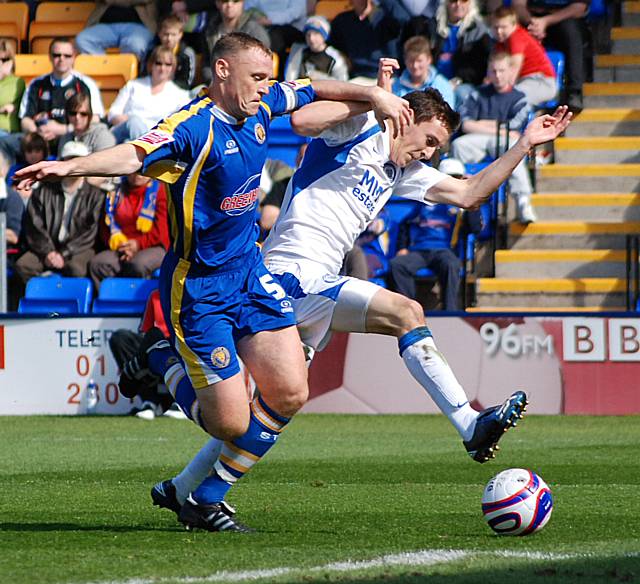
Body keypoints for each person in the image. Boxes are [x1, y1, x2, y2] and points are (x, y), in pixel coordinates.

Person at [143, 59, 572, 529]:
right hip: (287, 275)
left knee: (266, 409)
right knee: (406, 311)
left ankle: (186, 485)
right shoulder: (359, 126)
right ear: (404, 117)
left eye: (437, 148)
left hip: (313, 284)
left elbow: (470, 194)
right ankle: (469, 426)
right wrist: (373, 97)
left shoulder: (399, 171)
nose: (429, 153)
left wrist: (525, 144)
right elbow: (303, 120)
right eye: (428, 140)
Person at [15, 33, 412, 532]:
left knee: (290, 392)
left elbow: (310, 88)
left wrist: (373, 95)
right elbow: (134, 155)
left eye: (268, 77)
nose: (266, 87)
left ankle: (206, 499)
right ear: (222, 71)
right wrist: (66, 166)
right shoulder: (191, 126)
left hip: (249, 273)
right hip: (199, 287)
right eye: (257, 77)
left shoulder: (262, 103)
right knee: (231, 423)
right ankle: (157, 358)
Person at [451, 52, 537, 224]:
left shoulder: (520, 98)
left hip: (505, 142)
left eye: (501, 71)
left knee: (515, 146)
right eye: (493, 71)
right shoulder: (477, 94)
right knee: (458, 145)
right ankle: (456, 195)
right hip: (480, 140)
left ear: (510, 71)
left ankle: (523, 200)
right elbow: (466, 124)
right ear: (488, 72)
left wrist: (482, 123)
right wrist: (497, 128)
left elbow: (515, 127)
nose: (497, 75)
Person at [12, 141, 103, 296]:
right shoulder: (43, 191)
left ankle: (72, 308)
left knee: (76, 268)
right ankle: (40, 304)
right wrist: (48, 252)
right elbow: (34, 225)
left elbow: (89, 232)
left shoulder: (96, 195)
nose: (73, 165)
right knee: (23, 265)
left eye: (78, 160)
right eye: (69, 160)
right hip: (46, 247)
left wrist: (64, 253)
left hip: (77, 248)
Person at [389, 157, 480, 311]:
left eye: (457, 178)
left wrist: (471, 197)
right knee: (397, 265)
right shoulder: (425, 201)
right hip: (420, 251)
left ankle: (450, 312)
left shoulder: (461, 207)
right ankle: (407, 310)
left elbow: (475, 228)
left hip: (444, 251)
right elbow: (406, 223)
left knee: (452, 265)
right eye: (450, 178)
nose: (453, 182)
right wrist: (402, 246)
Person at [1, 38, 104, 164]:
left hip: (72, 136)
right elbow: (25, 119)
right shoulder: (36, 84)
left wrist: (63, 129)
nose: (62, 59)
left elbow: (94, 120)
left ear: (74, 58)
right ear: (49, 57)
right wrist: (38, 133)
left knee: (69, 147)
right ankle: (6, 181)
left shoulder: (85, 84)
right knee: (4, 142)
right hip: (38, 139)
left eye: (67, 56)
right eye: (57, 55)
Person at [89, 173, 170, 289]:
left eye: (142, 170)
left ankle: (142, 304)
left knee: (138, 264)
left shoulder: (160, 191)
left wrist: (137, 244)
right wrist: (122, 246)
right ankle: (112, 302)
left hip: (153, 245)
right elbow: (105, 226)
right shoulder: (114, 192)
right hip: (121, 246)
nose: (138, 174)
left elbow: (162, 231)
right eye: (135, 170)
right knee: (98, 263)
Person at [511, 0, 589, 112]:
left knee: (571, 31)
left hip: (564, 18)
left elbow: (579, 8)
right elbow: (518, 5)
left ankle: (574, 91)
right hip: (531, 19)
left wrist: (546, 21)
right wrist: (532, 23)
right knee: (509, 29)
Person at [108, 46, 190, 144]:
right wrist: (131, 121)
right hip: (124, 129)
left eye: (168, 64)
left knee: (129, 141)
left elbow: (185, 122)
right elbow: (113, 113)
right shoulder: (133, 85)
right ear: (151, 65)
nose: (162, 68)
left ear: (173, 68)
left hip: (154, 137)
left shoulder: (180, 95)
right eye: (158, 63)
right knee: (134, 123)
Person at [428, 0, 493, 108]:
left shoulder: (478, 31)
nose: (458, 4)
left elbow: (479, 67)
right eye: (453, 1)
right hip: (433, 79)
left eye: (464, 0)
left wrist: (459, 80)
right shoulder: (433, 26)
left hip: (463, 83)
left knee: (462, 95)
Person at [492, 6, 557, 108]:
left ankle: (507, 124)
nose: (499, 31)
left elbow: (513, 73)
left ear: (514, 25)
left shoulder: (516, 37)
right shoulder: (500, 44)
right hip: (523, 82)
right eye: (496, 27)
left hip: (540, 82)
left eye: (503, 27)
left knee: (513, 98)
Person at [330, 0, 402, 83]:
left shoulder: (387, 17)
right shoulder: (342, 20)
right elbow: (333, 46)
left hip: (389, 76)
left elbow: (402, 21)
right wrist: (342, 57)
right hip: (359, 77)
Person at [202, 0, 270, 85]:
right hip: (215, 85)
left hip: (247, 87)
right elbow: (207, 64)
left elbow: (261, 67)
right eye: (224, 1)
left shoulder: (254, 30)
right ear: (217, 3)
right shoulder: (211, 30)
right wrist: (214, 82)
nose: (229, 5)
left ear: (243, 2)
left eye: (235, 1)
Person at [75, 0, 156, 62]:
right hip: (105, 26)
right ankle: (107, 67)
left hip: (139, 26)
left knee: (136, 45)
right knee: (82, 40)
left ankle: (128, 72)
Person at [391, 35, 454, 108]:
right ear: (405, 60)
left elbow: (447, 115)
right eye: (411, 61)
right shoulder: (396, 86)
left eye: (419, 61)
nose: (415, 65)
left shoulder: (442, 86)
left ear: (429, 59)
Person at [284, 16, 349, 82]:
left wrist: (319, 78)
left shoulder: (335, 57)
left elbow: (342, 82)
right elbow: (290, 78)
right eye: (308, 34)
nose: (311, 38)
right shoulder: (298, 52)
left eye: (316, 34)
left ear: (324, 36)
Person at [143, 15, 197, 90]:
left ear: (180, 34)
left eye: (173, 35)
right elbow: (144, 75)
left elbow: (187, 82)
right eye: (166, 34)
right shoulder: (151, 52)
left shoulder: (186, 54)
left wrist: (166, 87)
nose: (169, 39)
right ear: (159, 34)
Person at [57, 94, 116, 158]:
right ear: (67, 115)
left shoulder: (103, 136)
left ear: (89, 115)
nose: (77, 117)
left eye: (83, 114)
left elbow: (106, 163)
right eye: (73, 113)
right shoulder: (65, 138)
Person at [0, 40, 25, 137]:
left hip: (8, 132)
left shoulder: (17, 82)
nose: (1, 63)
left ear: (12, 61)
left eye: (5, 60)